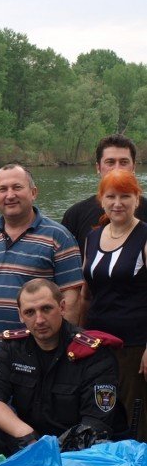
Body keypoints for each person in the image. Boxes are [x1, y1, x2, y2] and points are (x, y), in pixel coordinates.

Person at [0, 279, 125, 457]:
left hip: (81, 448)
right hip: (33, 440)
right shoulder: (14, 348)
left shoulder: (93, 353)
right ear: (20, 315)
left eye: (46, 309)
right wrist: (24, 432)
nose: (39, 320)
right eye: (30, 312)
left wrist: (52, 451)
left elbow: (96, 424)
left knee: (92, 442)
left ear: (62, 307)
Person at [0, 163, 84, 360]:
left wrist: (59, 355)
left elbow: (71, 300)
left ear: (33, 192)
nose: (10, 195)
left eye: (17, 187)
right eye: (2, 189)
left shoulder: (58, 237)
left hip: (42, 358)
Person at [80, 170, 147, 441]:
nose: (118, 203)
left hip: (135, 346)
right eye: (111, 196)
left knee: (136, 418)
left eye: (125, 196)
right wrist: (79, 336)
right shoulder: (92, 238)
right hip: (98, 345)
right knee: (102, 413)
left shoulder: (144, 236)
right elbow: (86, 295)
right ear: (101, 200)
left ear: (136, 199)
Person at [61, 134, 147, 249]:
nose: (117, 168)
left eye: (124, 162)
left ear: (134, 168)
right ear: (98, 168)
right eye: (110, 162)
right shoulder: (75, 215)